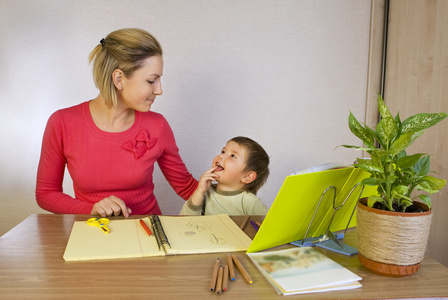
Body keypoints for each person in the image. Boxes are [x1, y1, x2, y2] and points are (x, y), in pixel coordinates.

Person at [36, 28, 198, 217]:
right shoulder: (62, 123)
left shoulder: (158, 125)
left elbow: (187, 188)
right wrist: (91, 209)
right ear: (119, 79)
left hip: (148, 233)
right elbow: (45, 194)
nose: (159, 90)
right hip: (92, 233)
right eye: (152, 80)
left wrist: (234, 187)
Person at [180, 136, 269, 215]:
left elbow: (270, 227)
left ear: (247, 177)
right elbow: (184, 220)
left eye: (233, 156)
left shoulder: (250, 202)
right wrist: (199, 191)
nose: (221, 156)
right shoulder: (205, 193)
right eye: (223, 151)